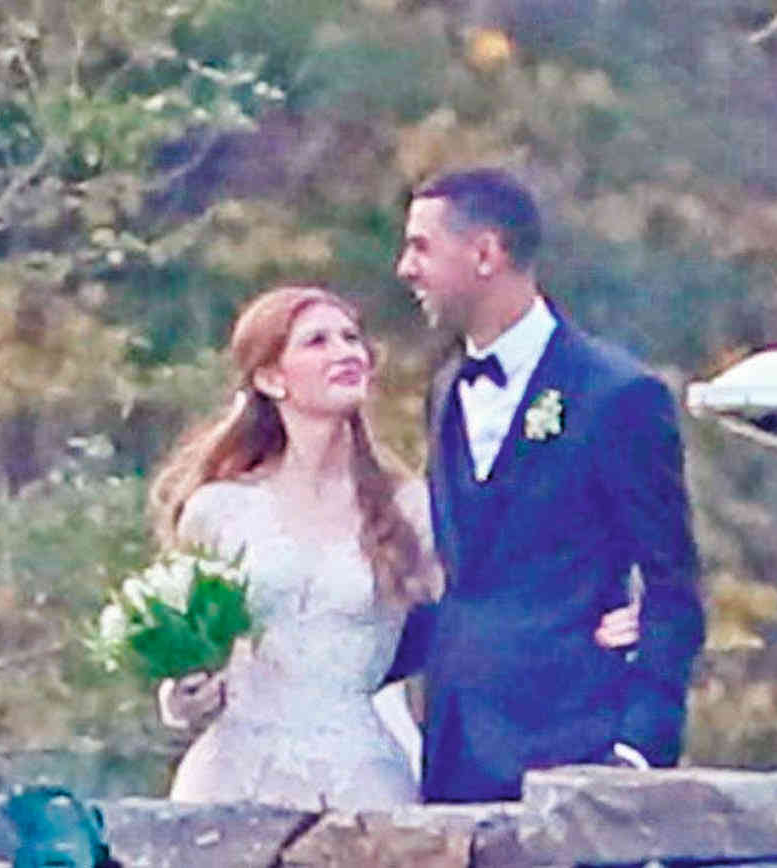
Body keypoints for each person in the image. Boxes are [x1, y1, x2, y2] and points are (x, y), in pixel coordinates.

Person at [146, 285, 637, 810]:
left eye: (351, 338)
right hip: (233, 775)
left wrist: (612, 609)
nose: (346, 352)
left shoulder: (410, 508)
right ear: (270, 378)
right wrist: (182, 696)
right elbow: (193, 647)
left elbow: (492, 596)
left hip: (357, 774)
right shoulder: (219, 510)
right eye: (317, 342)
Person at [384, 168, 706, 803]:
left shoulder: (618, 395)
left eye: (421, 246)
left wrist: (639, 747)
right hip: (456, 751)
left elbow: (672, 585)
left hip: (575, 744)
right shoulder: (446, 391)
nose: (405, 268)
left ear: (485, 253)